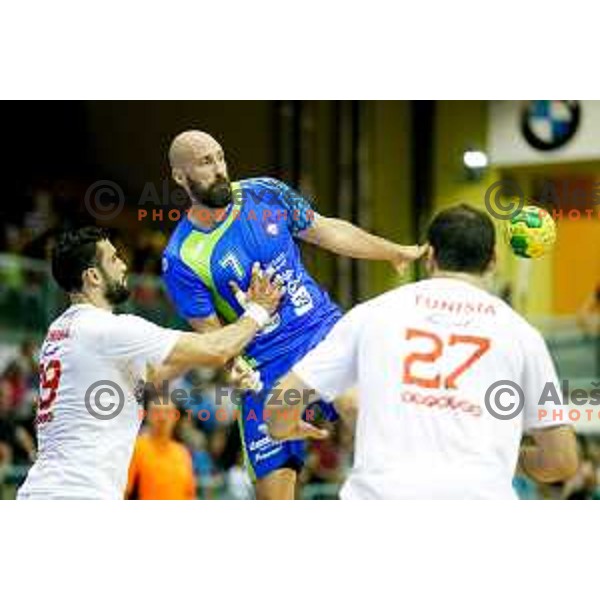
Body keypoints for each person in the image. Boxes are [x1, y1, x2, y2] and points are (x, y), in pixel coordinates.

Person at [162, 130, 424, 499]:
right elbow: (212, 337)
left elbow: (326, 230)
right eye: (206, 163)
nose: (220, 169)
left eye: (220, 157)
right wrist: (234, 365)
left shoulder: (265, 193)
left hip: (320, 334)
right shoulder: (181, 257)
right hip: (264, 370)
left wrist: (394, 252)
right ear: (179, 177)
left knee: (356, 405)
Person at [267, 204, 579, 499]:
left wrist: (282, 426)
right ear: (494, 260)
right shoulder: (523, 336)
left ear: (429, 256)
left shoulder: (372, 314)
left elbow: (284, 397)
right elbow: (562, 459)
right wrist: (513, 460)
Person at [17, 226, 282, 500]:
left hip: (44, 491)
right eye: (113, 258)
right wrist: (259, 311)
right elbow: (217, 350)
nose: (123, 265)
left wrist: (216, 337)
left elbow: (152, 374)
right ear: (93, 276)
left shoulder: (60, 329)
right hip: (78, 495)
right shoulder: (107, 329)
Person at [126, 399, 195, 500]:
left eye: (168, 412)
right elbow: (125, 492)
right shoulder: (136, 448)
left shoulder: (182, 452)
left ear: (175, 417)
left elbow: (189, 495)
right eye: (156, 412)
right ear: (147, 416)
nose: (162, 417)